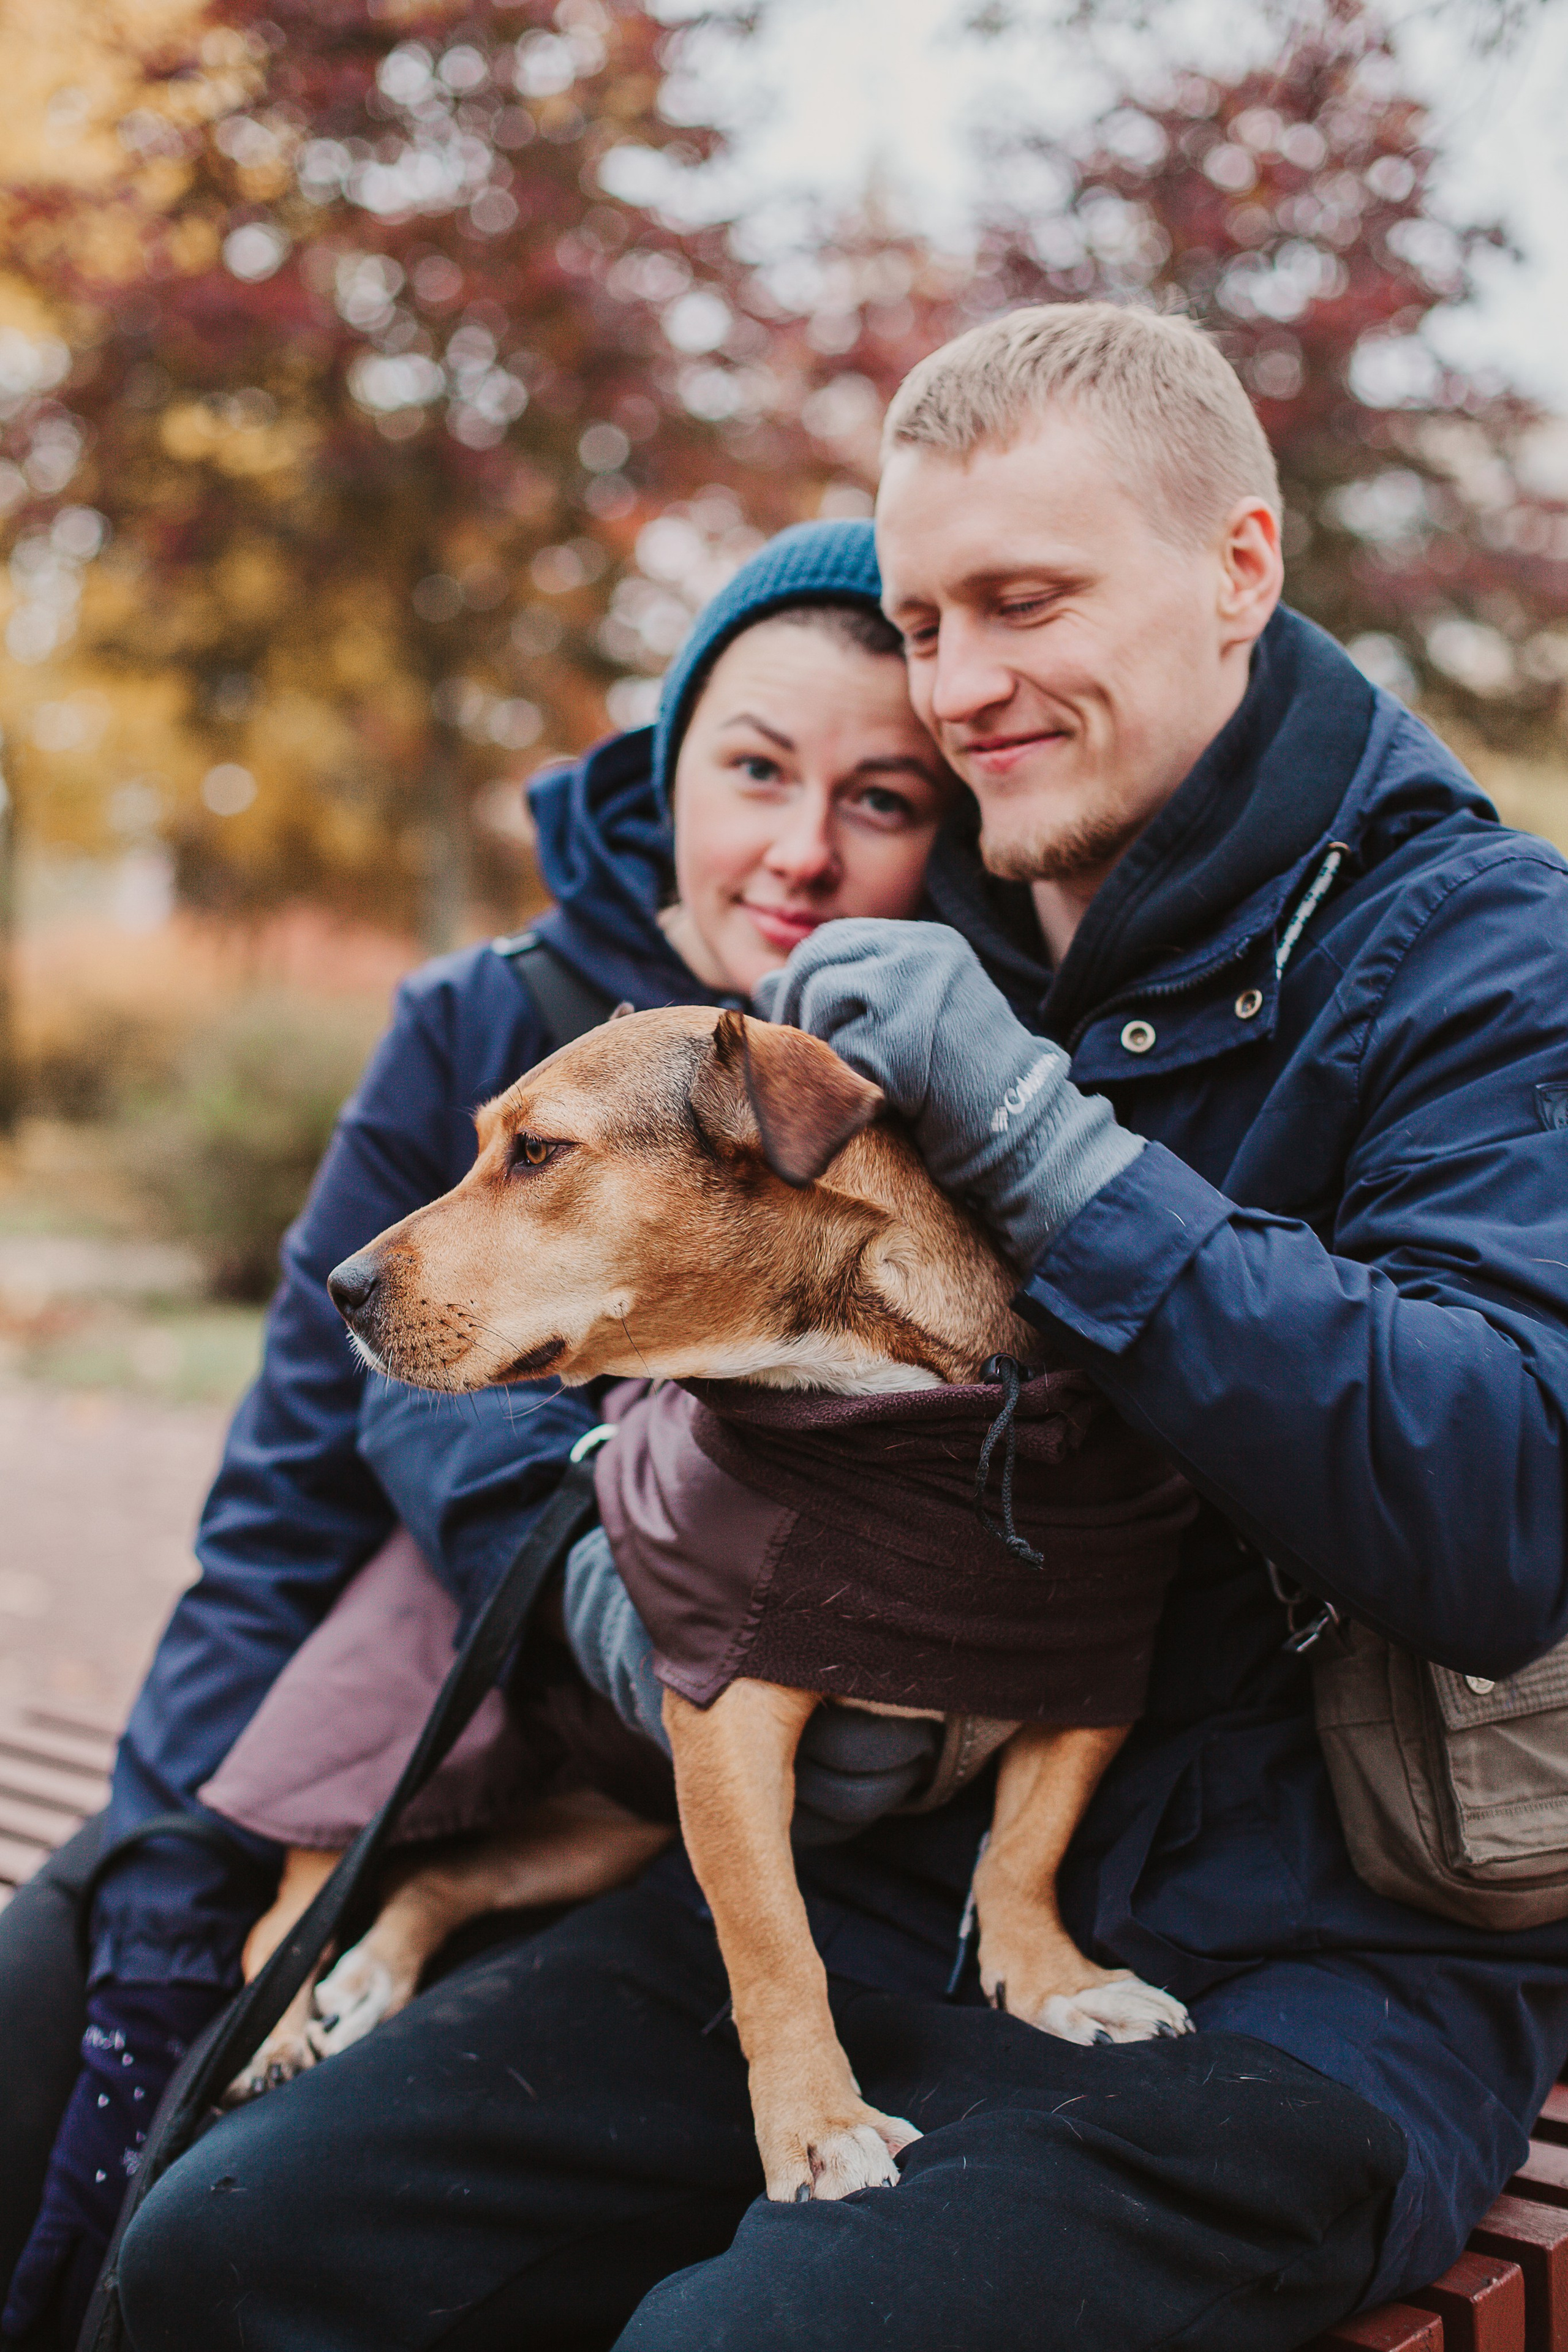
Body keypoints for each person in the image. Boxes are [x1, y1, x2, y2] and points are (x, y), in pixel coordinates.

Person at [105, 300, 1568, 2352]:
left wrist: (1062, 1162)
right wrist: (629, 1597)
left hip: (1307, 1962)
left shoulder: (1488, 961)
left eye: (1025, 602)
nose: (962, 687)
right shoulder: (925, 916)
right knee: (231, 2251)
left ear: (1243, 567)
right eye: (926, 620)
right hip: (866, 1887)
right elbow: (633, 1163)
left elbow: (1506, 1508)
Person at [0, 519, 962, 2350]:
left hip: (654, 1833)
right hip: (387, 1709)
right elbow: (292, 1480)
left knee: (253, 2217)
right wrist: (170, 1842)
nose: (801, 844)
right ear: (669, 766)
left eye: (885, 794)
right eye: (753, 766)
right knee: (59, 2024)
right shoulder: (484, 1028)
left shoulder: (917, 1106)